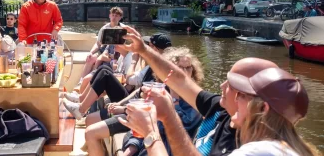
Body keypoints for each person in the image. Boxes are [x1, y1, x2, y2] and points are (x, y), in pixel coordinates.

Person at [119, 27, 279, 156]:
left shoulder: (247, 147)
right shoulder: (221, 109)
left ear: (260, 107)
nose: (222, 86)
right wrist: (144, 50)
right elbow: (180, 80)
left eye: (232, 85)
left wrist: (156, 127)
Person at [81, 35, 173, 156]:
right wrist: (121, 104)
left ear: (155, 49)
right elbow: (138, 90)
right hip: (132, 108)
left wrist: (123, 108)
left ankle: (80, 109)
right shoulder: (151, 67)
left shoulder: (164, 74)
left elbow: (131, 83)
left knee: (91, 126)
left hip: (135, 114)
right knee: (90, 119)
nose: (144, 48)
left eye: (148, 46)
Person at [121, 47, 204, 156]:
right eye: (179, 67)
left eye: (188, 67)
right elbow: (142, 128)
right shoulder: (161, 93)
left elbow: (182, 126)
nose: (184, 72)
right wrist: (131, 149)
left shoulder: (196, 99)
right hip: (146, 148)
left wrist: (175, 95)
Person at [227, 67, 318, 156]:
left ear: (262, 108)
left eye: (242, 95)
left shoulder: (255, 152)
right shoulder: (302, 151)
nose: (236, 99)